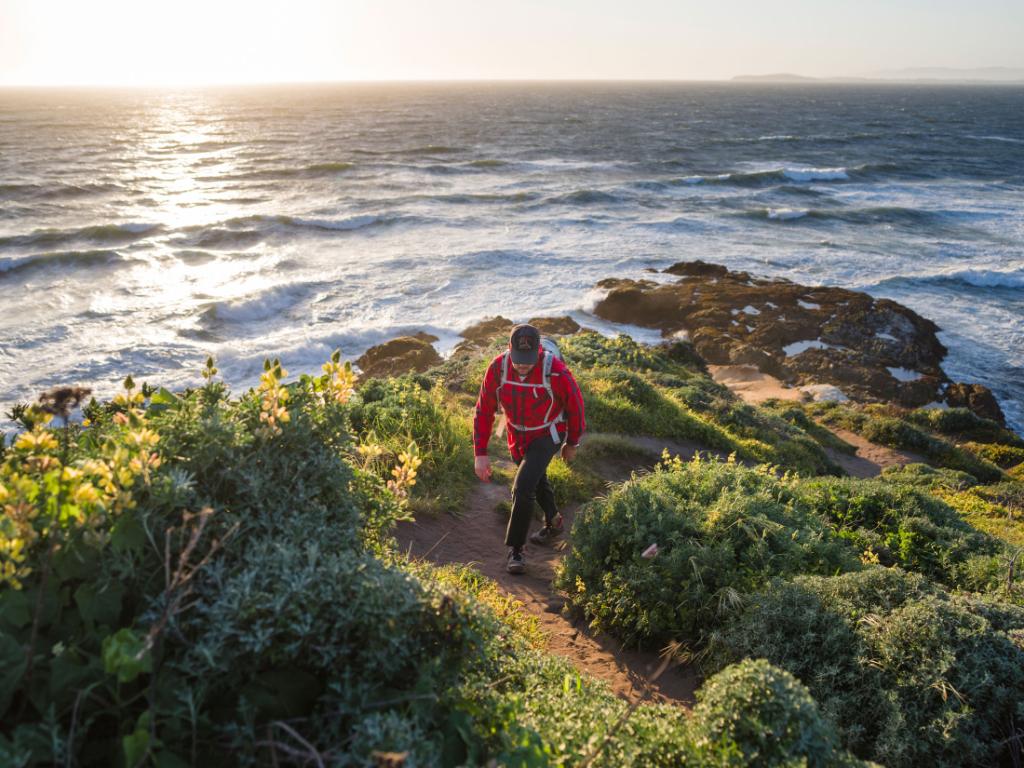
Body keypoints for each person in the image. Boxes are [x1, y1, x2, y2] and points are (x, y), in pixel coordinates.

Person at [473, 323, 586, 574]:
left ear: (539, 352)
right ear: (508, 349)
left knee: (522, 487)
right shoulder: (497, 368)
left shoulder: (555, 371)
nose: (523, 365)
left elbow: (576, 406)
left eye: (529, 360)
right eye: (518, 359)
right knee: (535, 479)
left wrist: (572, 442)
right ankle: (555, 522)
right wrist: (480, 452)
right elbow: (483, 410)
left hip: (548, 433)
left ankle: (516, 550)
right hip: (516, 435)